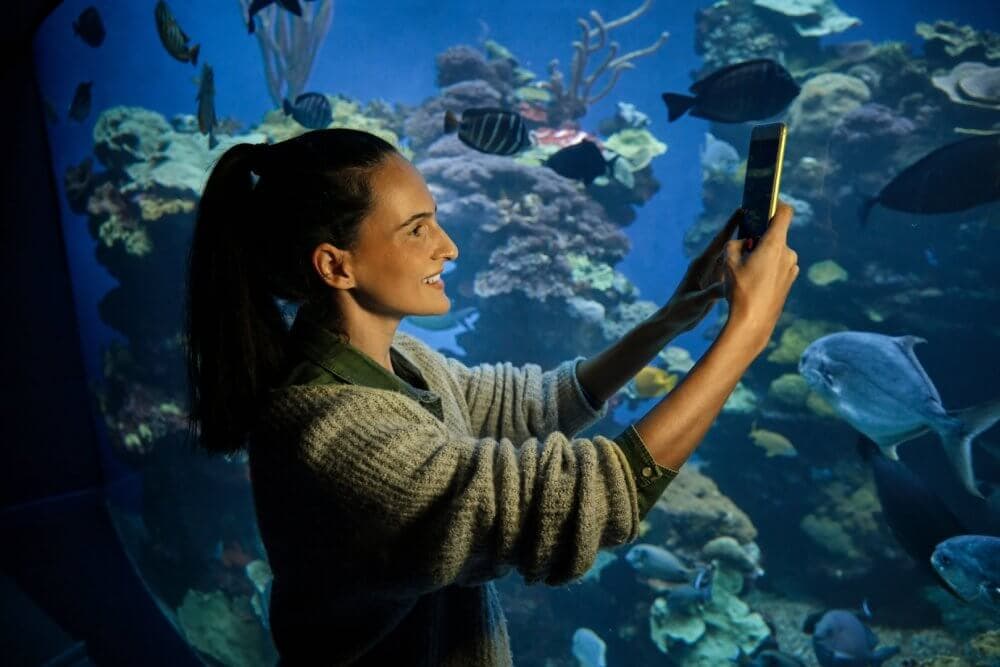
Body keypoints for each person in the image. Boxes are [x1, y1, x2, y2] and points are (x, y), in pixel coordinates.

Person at [183, 128, 798, 665]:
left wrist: (672, 319)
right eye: (416, 229)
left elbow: (525, 407)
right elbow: (578, 500)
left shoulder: (397, 362)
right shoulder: (333, 436)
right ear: (336, 267)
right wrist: (746, 334)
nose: (447, 246)